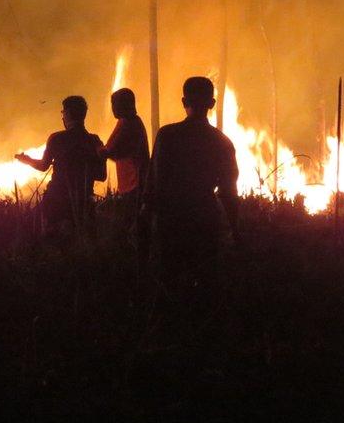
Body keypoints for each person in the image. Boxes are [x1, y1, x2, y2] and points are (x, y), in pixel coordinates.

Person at [144, 76, 239, 288]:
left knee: (169, 281)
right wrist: (235, 229)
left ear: (183, 101)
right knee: (205, 280)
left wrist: (146, 216)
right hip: (204, 218)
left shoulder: (167, 135)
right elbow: (228, 190)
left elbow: (154, 180)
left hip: (171, 219)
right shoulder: (221, 142)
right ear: (212, 104)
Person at [16, 95, 106, 235]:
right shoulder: (94, 141)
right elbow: (102, 175)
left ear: (68, 113)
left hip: (56, 200)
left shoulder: (57, 138)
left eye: (63, 112)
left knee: (30, 230)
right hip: (83, 202)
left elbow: (43, 166)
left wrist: (26, 160)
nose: (62, 116)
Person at [99, 88, 150, 200]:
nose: (112, 108)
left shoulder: (128, 123)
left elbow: (110, 150)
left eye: (114, 103)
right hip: (130, 184)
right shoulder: (129, 121)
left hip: (134, 184)